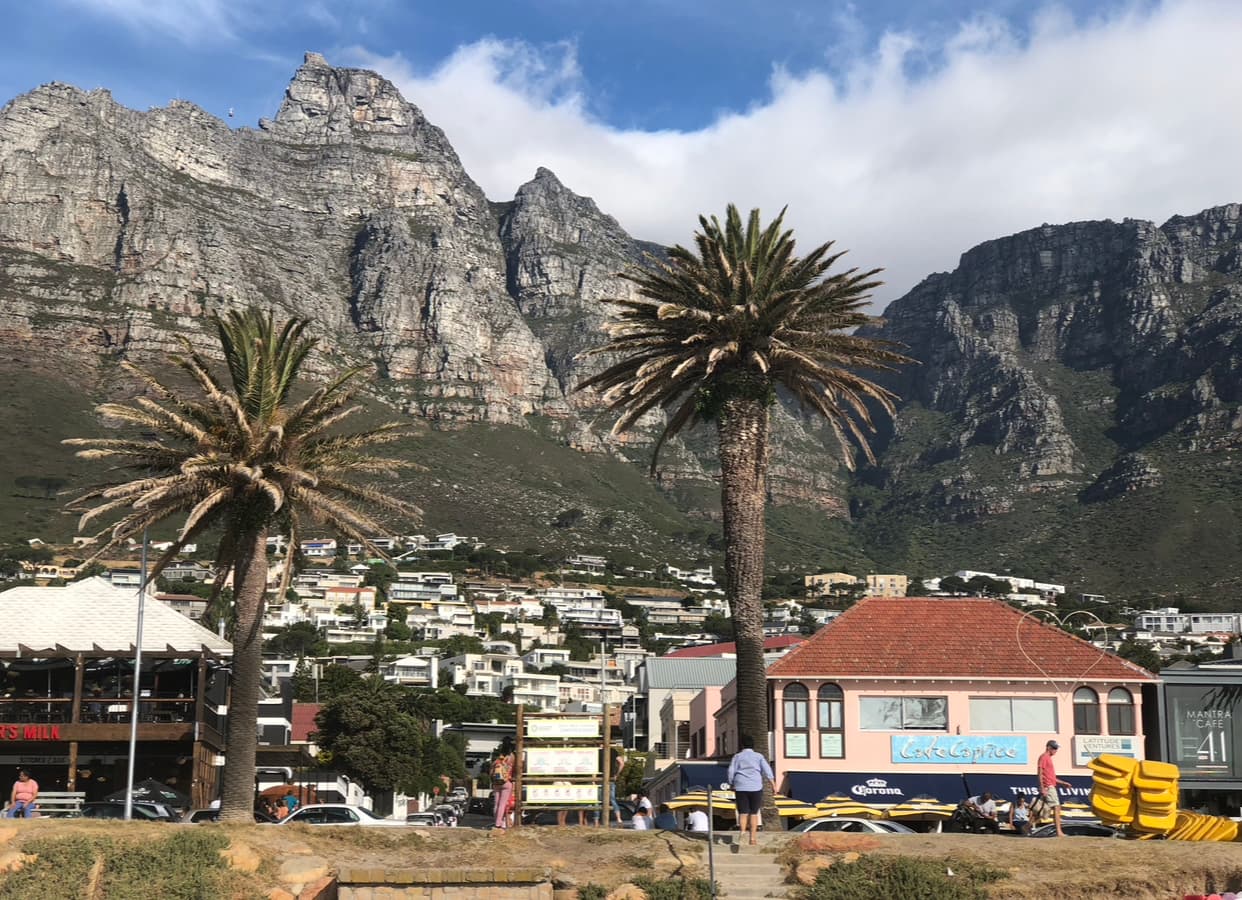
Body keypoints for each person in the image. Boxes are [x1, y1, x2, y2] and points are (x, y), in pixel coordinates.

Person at [727, 734, 775, 846]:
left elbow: (730, 771)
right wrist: (773, 784)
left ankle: (742, 832)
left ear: (742, 745)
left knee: (743, 812)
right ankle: (752, 839)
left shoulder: (737, 757)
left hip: (740, 786)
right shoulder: (758, 756)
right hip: (755, 786)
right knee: (754, 813)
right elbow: (767, 770)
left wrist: (731, 783)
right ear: (753, 745)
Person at [1037, 740, 1073, 837]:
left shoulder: (1048, 758)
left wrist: (1063, 783)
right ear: (1049, 747)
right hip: (1048, 786)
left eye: (1056, 749)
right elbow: (1040, 773)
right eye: (1054, 748)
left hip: (1049, 785)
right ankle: (1058, 831)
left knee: (1039, 808)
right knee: (1057, 807)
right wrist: (1042, 787)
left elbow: (1051, 777)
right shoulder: (1044, 757)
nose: (1055, 751)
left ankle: (1027, 826)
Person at [491, 738, 516, 830]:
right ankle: (499, 824)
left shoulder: (498, 757)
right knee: (503, 804)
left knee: (496, 804)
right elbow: (515, 769)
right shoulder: (512, 757)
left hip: (496, 782)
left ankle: (496, 822)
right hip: (506, 781)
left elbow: (492, 768)